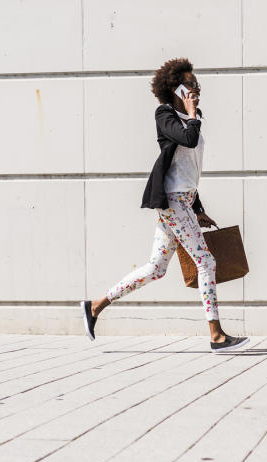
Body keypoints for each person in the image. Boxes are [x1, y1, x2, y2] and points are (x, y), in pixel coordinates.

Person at [81, 57, 249, 353]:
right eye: (192, 84)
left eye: (197, 84)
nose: (197, 88)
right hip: (172, 202)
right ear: (177, 88)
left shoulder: (190, 117)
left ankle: (95, 306)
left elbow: (188, 169)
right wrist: (192, 113)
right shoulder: (166, 115)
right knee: (206, 262)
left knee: (156, 268)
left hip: (183, 201)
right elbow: (188, 139)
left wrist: (198, 209)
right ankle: (217, 335)